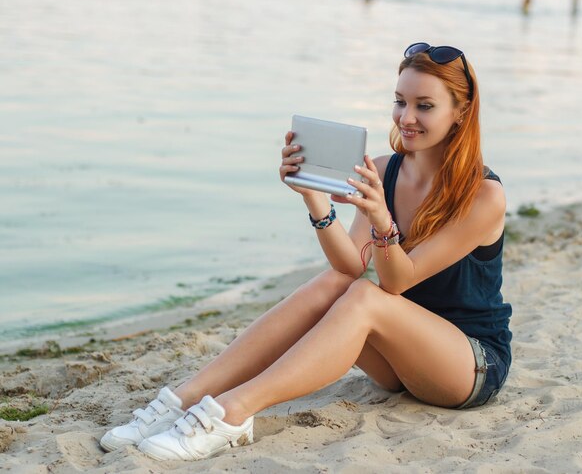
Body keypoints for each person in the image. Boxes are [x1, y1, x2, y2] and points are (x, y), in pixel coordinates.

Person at [100, 42, 512, 461]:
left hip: (467, 364)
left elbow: (398, 280)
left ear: (461, 112)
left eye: (424, 106)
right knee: (340, 283)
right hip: (399, 360)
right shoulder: (386, 171)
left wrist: (381, 219)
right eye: (400, 101)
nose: (406, 118)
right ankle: (183, 399)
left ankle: (234, 411)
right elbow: (350, 265)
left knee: (367, 296)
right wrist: (315, 200)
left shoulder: (483, 195)